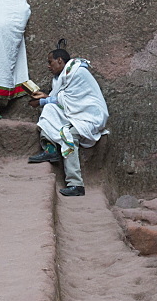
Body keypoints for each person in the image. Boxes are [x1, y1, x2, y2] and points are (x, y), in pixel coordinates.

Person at [28, 46, 109, 197]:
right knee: (50, 109)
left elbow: (71, 100)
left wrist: (43, 100)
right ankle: (50, 150)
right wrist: (43, 101)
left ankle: (76, 184)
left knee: (69, 136)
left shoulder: (77, 72)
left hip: (91, 117)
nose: (48, 66)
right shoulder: (62, 78)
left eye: (50, 62)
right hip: (77, 114)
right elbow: (62, 100)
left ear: (60, 60)